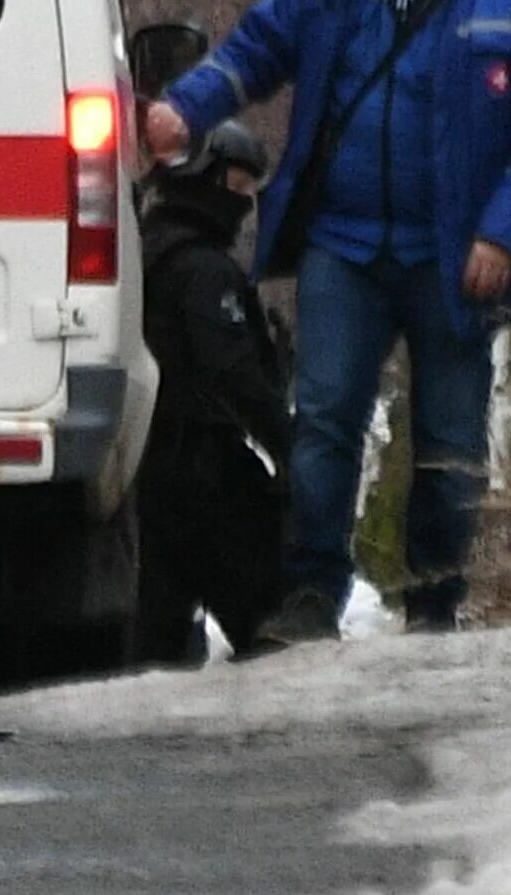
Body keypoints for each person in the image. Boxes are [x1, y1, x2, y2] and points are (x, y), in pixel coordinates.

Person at [143, 0, 511, 646]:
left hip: (455, 254)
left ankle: (433, 600)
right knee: (324, 420)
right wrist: (182, 111)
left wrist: (503, 230)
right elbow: (258, 49)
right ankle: (310, 593)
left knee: (449, 439)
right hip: (343, 241)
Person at [134, 119, 290, 665]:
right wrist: (285, 439)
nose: (243, 204)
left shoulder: (147, 251)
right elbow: (230, 368)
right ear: (202, 176)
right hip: (201, 469)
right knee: (270, 622)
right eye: (237, 186)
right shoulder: (201, 269)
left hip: (156, 465)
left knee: (159, 626)